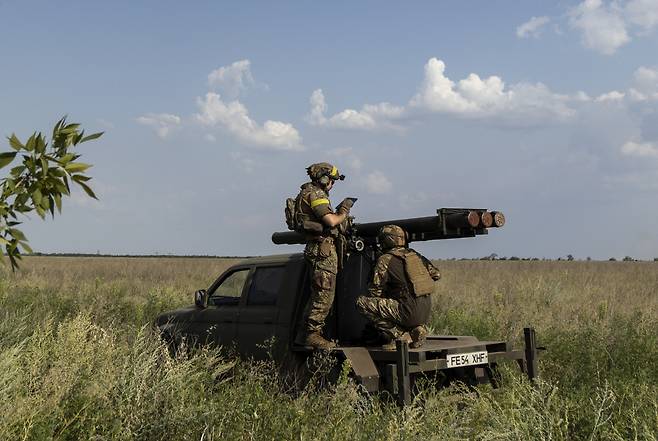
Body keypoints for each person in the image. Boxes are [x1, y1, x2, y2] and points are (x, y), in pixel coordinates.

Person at [294, 162, 355, 350]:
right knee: (324, 296)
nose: (332, 184)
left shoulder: (306, 193)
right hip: (323, 251)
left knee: (317, 294)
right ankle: (312, 336)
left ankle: (304, 335)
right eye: (332, 180)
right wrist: (344, 210)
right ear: (323, 178)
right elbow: (331, 220)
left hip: (318, 249)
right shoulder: (317, 195)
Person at [356, 225, 440, 350]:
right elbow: (436, 274)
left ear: (387, 240)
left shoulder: (385, 259)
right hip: (425, 311)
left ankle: (400, 335)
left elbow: (374, 291)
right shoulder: (414, 255)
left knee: (362, 303)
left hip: (407, 311)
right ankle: (416, 329)